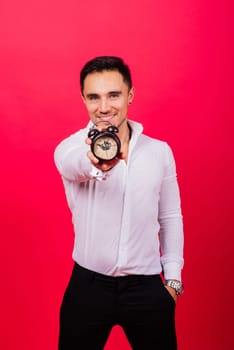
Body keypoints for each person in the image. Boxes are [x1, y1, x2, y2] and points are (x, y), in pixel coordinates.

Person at [54, 56, 184, 349]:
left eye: (113, 95)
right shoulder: (70, 148)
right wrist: (97, 163)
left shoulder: (159, 152)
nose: (104, 107)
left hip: (147, 288)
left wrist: (173, 281)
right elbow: (71, 164)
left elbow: (171, 217)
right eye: (93, 97)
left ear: (130, 95)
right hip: (88, 287)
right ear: (83, 100)